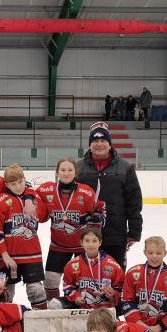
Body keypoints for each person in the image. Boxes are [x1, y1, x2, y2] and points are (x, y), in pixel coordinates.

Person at [76, 122, 142, 268]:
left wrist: (134, 232)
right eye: (95, 141)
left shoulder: (125, 167)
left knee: (115, 274)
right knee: (85, 274)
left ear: (110, 144)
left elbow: (134, 202)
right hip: (86, 235)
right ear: (89, 145)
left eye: (103, 140)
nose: (99, 144)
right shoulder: (78, 167)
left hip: (116, 235)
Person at [37, 157, 104, 301]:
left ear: (75, 172)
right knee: (50, 281)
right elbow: (32, 198)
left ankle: (81, 306)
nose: (66, 173)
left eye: (70, 170)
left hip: (82, 247)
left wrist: (98, 218)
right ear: (57, 172)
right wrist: (29, 198)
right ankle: (54, 308)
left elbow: (100, 209)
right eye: (63, 170)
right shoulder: (46, 190)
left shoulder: (85, 192)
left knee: (83, 282)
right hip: (58, 246)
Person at [0, 163, 50, 309]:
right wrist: (4, 255)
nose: (18, 187)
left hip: (32, 254)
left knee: (36, 290)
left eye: (20, 182)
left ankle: (40, 318)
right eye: (13, 184)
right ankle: (5, 319)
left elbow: (44, 217)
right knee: (5, 292)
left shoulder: (34, 198)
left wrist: (34, 202)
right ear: (7, 185)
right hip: (8, 257)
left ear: (24, 179)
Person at [48, 227, 124, 311]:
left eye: (94, 241)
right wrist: (76, 297)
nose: (91, 245)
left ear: (100, 242)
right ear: (81, 243)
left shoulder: (112, 265)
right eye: (87, 241)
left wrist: (113, 294)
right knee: (54, 304)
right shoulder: (72, 265)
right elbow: (68, 287)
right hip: (81, 307)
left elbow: (122, 290)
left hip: (104, 309)